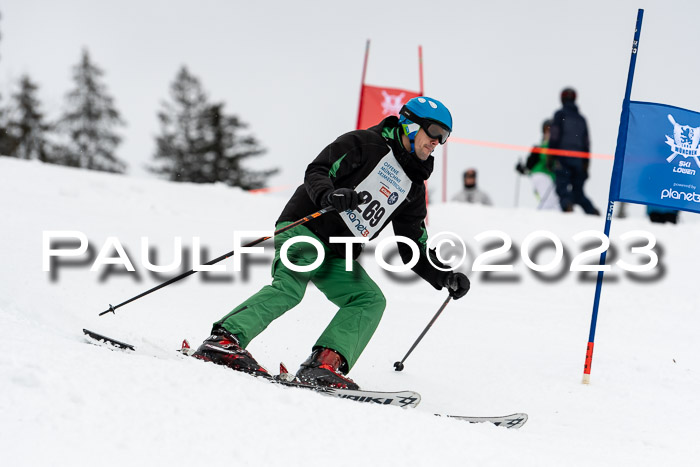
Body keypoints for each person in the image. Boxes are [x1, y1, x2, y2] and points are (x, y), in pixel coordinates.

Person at [192, 96, 471, 389]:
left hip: (339, 253)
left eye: (445, 137)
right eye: (434, 132)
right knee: (290, 287)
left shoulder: (413, 186)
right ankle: (223, 340)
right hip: (306, 228)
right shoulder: (366, 143)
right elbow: (318, 170)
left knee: (369, 299)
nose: (438, 142)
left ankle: (323, 364)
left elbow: (412, 243)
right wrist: (330, 195)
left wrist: (444, 276)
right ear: (411, 125)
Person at [549, 87, 600, 215]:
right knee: (578, 191)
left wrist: (551, 156)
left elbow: (554, 136)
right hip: (578, 160)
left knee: (562, 187)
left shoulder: (560, 115)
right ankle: (591, 211)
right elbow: (587, 143)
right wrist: (586, 163)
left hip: (562, 157)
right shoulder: (581, 119)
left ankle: (567, 207)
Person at [516, 119, 560, 210]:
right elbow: (530, 166)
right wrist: (522, 168)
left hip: (551, 178)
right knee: (549, 201)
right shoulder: (540, 147)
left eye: (550, 131)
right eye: (546, 131)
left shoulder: (556, 147)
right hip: (541, 175)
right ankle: (542, 218)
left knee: (555, 202)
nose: (548, 133)